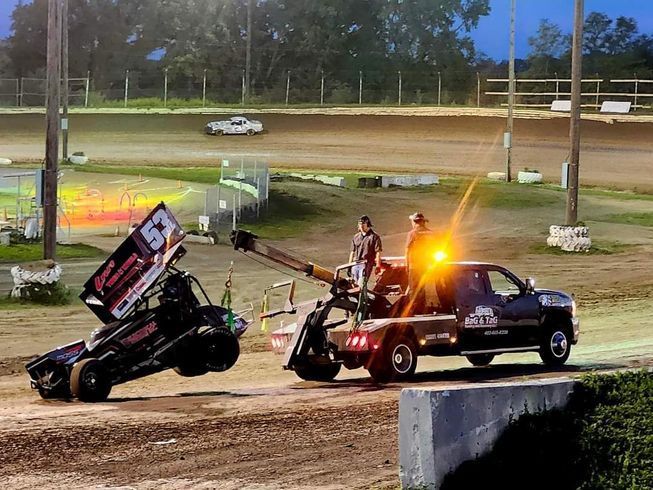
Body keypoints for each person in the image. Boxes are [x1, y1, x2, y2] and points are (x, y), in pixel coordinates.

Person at [405, 212, 435, 313]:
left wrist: (407, 265)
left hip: (414, 266)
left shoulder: (412, 233)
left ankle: (414, 310)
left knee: (414, 289)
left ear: (414, 222)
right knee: (423, 288)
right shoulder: (431, 233)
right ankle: (423, 309)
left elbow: (407, 250)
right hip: (427, 266)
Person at [349, 215, 382, 287]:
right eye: (360, 224)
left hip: (366, 264)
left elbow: (378, 252)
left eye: (363, 224)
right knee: (353, 285)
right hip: (355, 263)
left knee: (362, 284)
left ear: (368, 224)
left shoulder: (374, 237)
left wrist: (378, 265)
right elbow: (352, 252)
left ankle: (363, 297)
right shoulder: (356, 237)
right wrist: (349, 265)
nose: (361, 226)